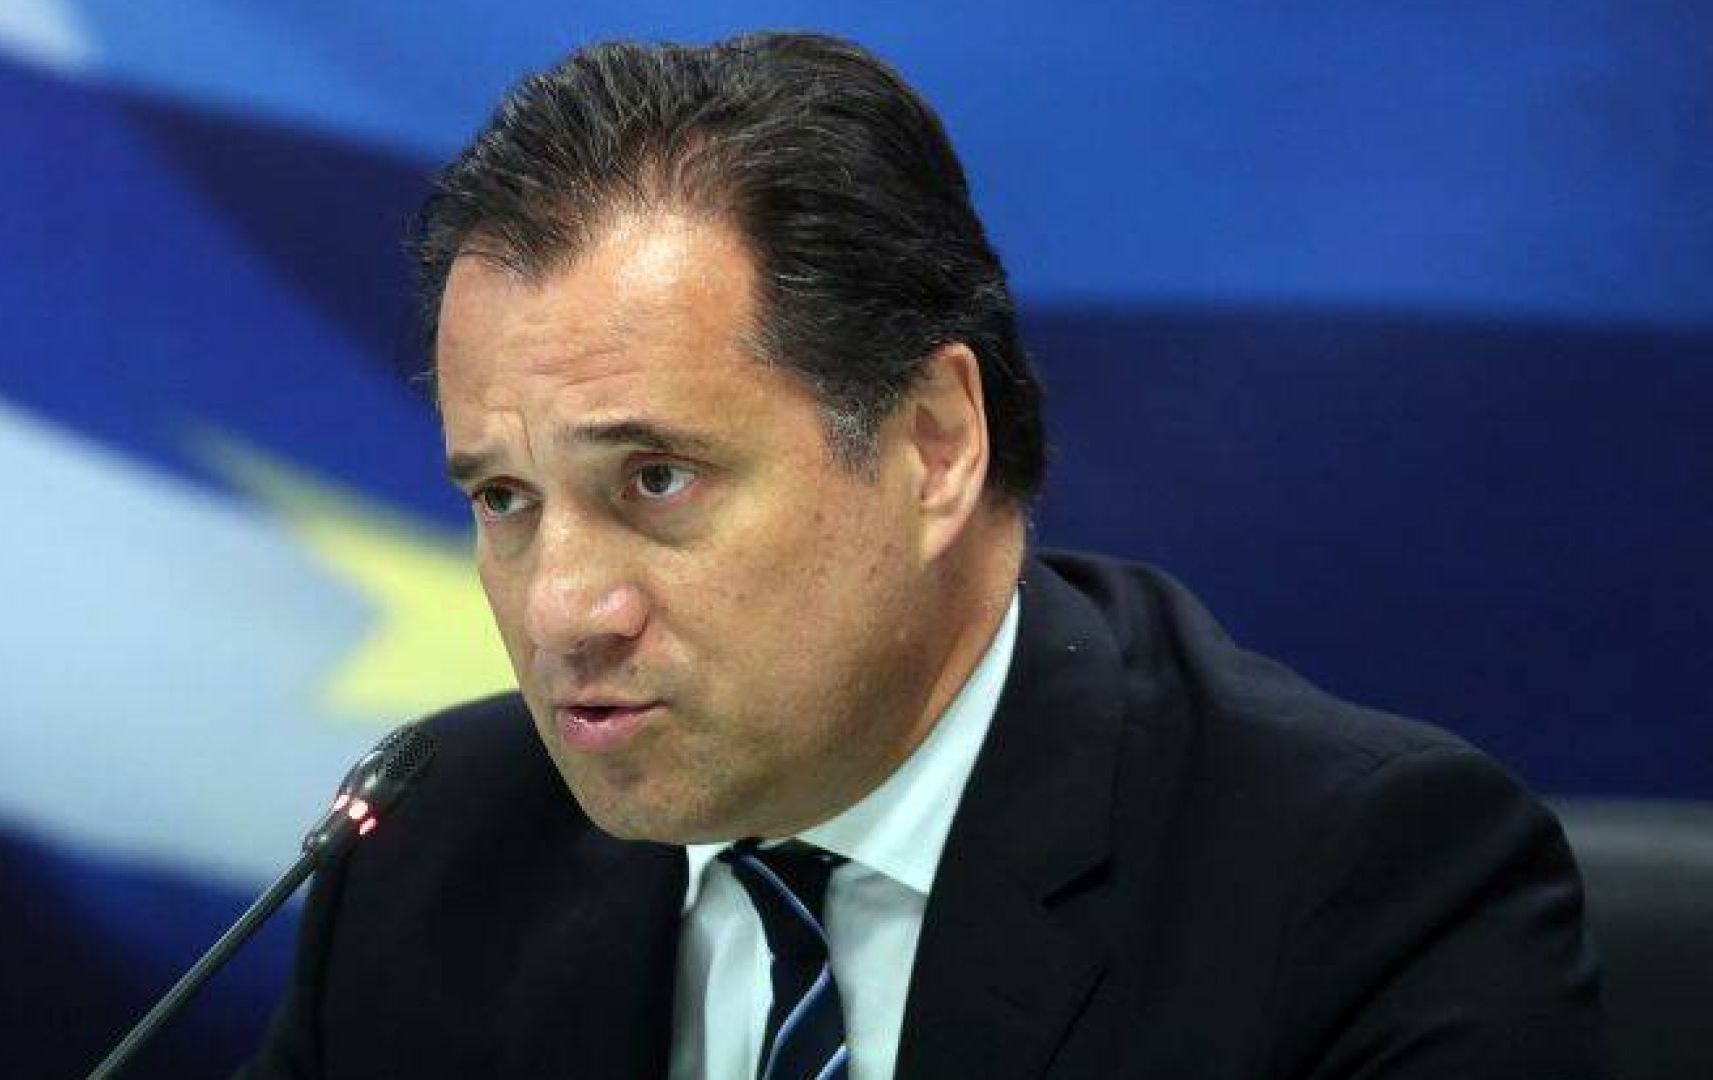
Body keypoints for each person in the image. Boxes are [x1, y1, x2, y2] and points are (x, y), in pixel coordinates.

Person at [242, 32, 1604, 1079]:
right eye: (504, 499)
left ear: (936, 444)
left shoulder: (1361, 891)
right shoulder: (432, 860)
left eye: (656, 479)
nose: (560, 611)